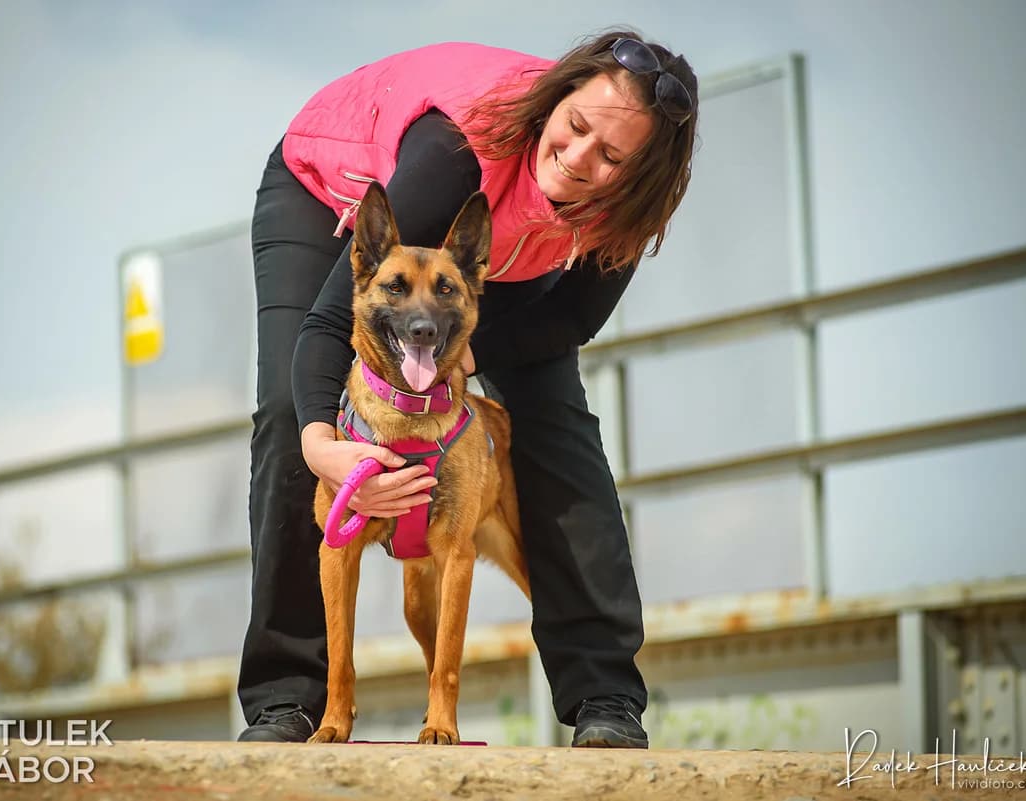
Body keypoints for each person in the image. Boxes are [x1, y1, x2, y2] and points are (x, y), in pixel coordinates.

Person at [236, 28, 698, 748]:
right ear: (555, 100)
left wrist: (455, 359)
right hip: (330, 187)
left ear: (636, 177)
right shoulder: (458, 149)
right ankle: (286, 697)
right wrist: (323, 445)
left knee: (556, 427)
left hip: (492, 258)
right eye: (574, 127)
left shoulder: (626, 214)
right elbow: (328, 321)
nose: (578, 159)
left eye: (610, 157)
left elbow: (571, 317)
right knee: (287, 408)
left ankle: (606, 696)